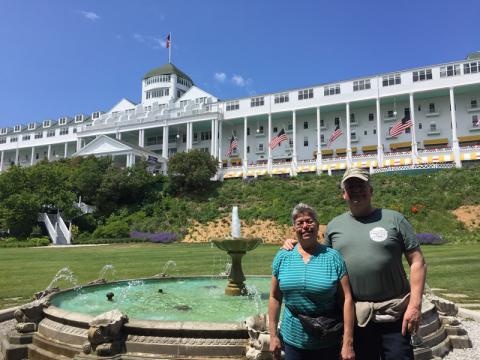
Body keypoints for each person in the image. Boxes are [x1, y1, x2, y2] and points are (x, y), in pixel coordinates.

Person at [283, 168, 427, 360]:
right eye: (351, 187)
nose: (356, 190)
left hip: (393, 313)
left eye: (361, 185)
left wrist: (415, 305)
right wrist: (294, 243)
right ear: (344, 194)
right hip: (356, 318)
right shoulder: (335, 225)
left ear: (371, 190)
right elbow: (319, 255)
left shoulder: (394, 219)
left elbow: (417, 262)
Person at [269, 203, 355, 360]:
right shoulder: (282, 257)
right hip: (293, 339)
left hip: (328, 338)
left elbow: (347, 299)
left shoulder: (333, 257)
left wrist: (348, 342)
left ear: (317, 226)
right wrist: (273, 335)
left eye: (309, 221)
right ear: (294, 228)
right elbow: (275, 297)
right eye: (299, 223)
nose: (305, 226)